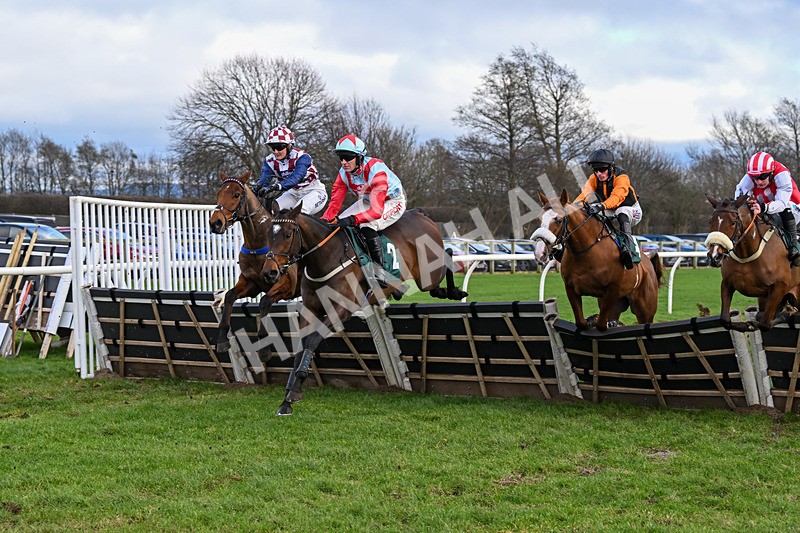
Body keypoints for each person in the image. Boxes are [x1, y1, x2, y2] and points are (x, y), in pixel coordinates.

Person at [321, 135, 406, 288]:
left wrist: (353, 220)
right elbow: (334, 205)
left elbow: (376, 212)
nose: (343, 162)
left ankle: (380, 271)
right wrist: (324, 221)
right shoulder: (343, 173)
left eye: (347, 157)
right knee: (335, 226)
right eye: (341, 158)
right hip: (367, 201)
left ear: (360, 157)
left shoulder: (376, 171)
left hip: (392, 201)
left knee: (368, 225)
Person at [575, 148, 642, 270]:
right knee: (587, 212)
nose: (599, 173)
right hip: (610, 208)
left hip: (630, 209)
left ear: (611, 168)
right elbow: (584, 195)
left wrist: (601, 206)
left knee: (621, 212)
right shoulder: (594, 178)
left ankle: (628, 251)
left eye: (602, 170)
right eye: (596, 170)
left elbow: (617, 198)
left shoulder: (621, 177)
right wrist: (571, 208)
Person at [735, 151, 800, 267]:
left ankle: (794, 248)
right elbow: (740, 194)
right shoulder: (752, 175)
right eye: (755, 178)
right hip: (766, 207)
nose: (758, 181)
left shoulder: (782, 174)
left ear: (771, 173)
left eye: (763, 177)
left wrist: (764, 207)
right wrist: (747, 203)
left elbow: (781, 203)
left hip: (792, 208)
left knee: (784, 209)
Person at [255, 126, 328, 215]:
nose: (276, 152)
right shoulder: (269, 161)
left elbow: (296, 177)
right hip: (293, 194)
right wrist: (256, 189)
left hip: (314, 191)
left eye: (279, 147)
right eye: (273, 147)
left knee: (299, 212)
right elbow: (264, 180)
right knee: (272, 211)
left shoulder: (302, 157)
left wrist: (277, 186)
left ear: (290, 145)